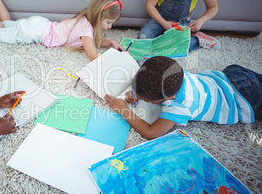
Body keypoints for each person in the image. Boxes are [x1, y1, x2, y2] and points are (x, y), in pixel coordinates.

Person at [104, 56, 260, 140]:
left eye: (148, 100)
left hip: (244, 99)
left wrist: (122, 109)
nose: (143, 100)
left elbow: (150, 133)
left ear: (170, 97)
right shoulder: (170, 71)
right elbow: (149, 74)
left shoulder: (181, 105)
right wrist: (137, 90)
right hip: (233, 76)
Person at [0, 0, 123, 61]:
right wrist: (117, 59)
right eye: (108, 23)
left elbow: (90, 43)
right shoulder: (86, 29)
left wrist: (110, 42)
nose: (109, 27)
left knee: (8, 25)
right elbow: (93, 55)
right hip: (36, 32)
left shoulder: (85, 22)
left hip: (41, 25)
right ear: (99, 16)